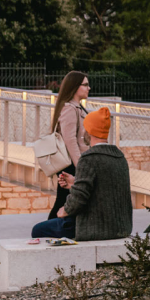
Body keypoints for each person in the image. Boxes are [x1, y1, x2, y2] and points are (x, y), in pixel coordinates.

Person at [31, 108, 133, 241]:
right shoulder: (119, 157)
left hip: (93, 227)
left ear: (90, 132)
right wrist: (75, 182)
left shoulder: (88, 158)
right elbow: (103, 189)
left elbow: (79, 199)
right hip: (120, 227)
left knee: (37, 230)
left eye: (85, 128)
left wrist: (65, 210)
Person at [48, 71, 91, 220]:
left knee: (67, 200)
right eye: (85, 85)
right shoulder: (69, 109)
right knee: (63, 200)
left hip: (72, 161)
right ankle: (47, 230)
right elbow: (70, 139)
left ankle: (53, 230)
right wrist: (80, 165)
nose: (89, 88)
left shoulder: (77, 108)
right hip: (70, 163)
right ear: (74, 87)